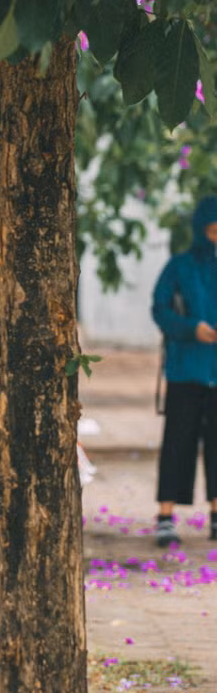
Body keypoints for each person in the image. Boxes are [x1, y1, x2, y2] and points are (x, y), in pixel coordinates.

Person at [151, 195, 217, 547]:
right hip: (185, 370)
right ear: (200, 230)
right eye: (212, 230)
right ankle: (165, 516)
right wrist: (192, 328)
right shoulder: (180, 266)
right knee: (178, 442)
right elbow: (160, 309)